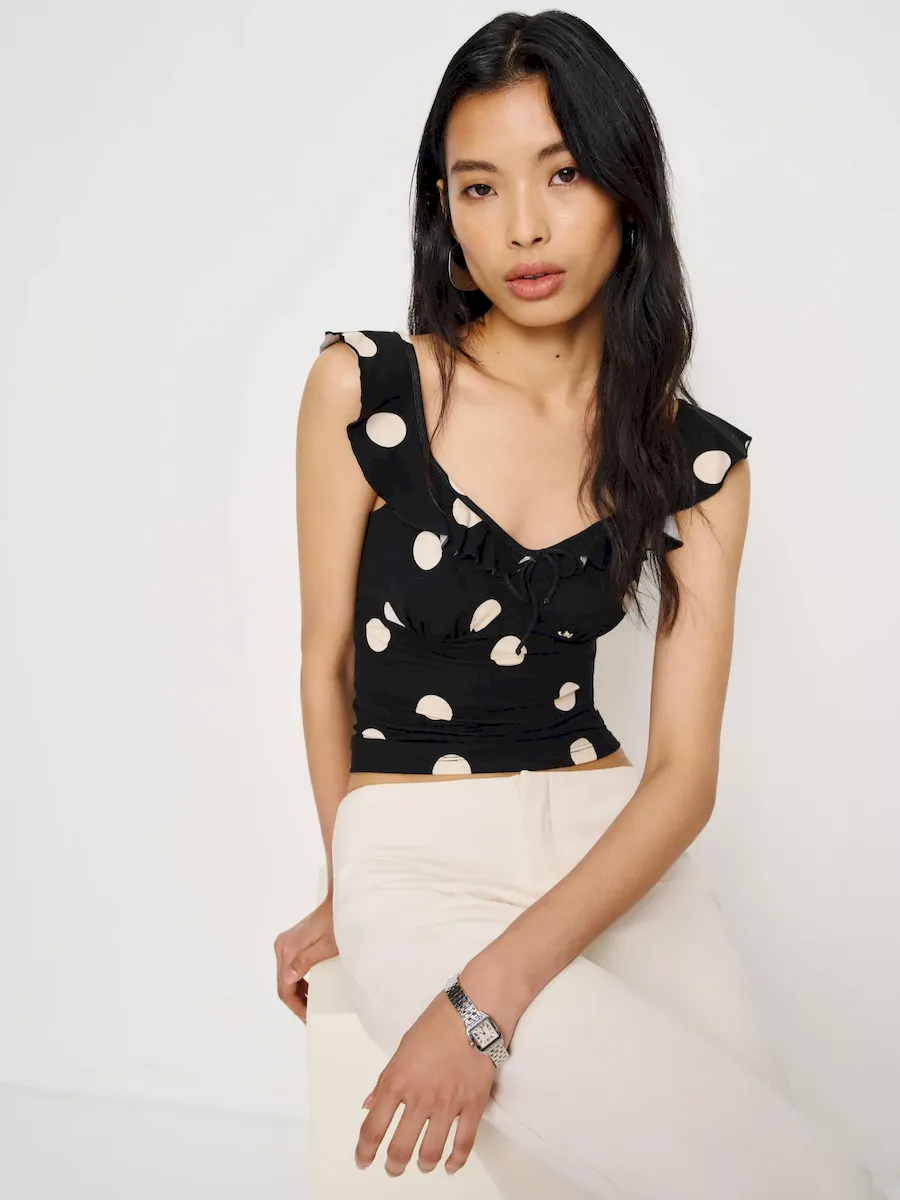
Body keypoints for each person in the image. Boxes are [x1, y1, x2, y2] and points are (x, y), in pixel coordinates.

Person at [275, 10, 887, 1198]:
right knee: (789, 1178)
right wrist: (349, 888)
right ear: (445, 212)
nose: (524, 225)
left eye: (562, 174)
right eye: (481, 186)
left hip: (614, 861)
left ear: (626, 190)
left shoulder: (696, 460)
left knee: (780, 1158)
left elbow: (684, 778)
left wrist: (490, 994)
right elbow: (324, 666)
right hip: (418, 859)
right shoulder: (363, 390)